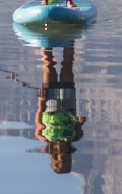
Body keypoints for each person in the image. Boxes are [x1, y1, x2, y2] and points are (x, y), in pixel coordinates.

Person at [34, 44, 86, 174]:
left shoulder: (43, 137)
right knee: (67, 65)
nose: (65, 160)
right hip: (68, 102)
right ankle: (69, 39)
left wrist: (41, 100)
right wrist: (80, 121)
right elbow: (80, 121)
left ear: (55, 160)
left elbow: (39, 117)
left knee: (48, 64)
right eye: (67, 162)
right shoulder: (75, 137)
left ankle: (45, 37)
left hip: (49, 102)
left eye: (62, 163)